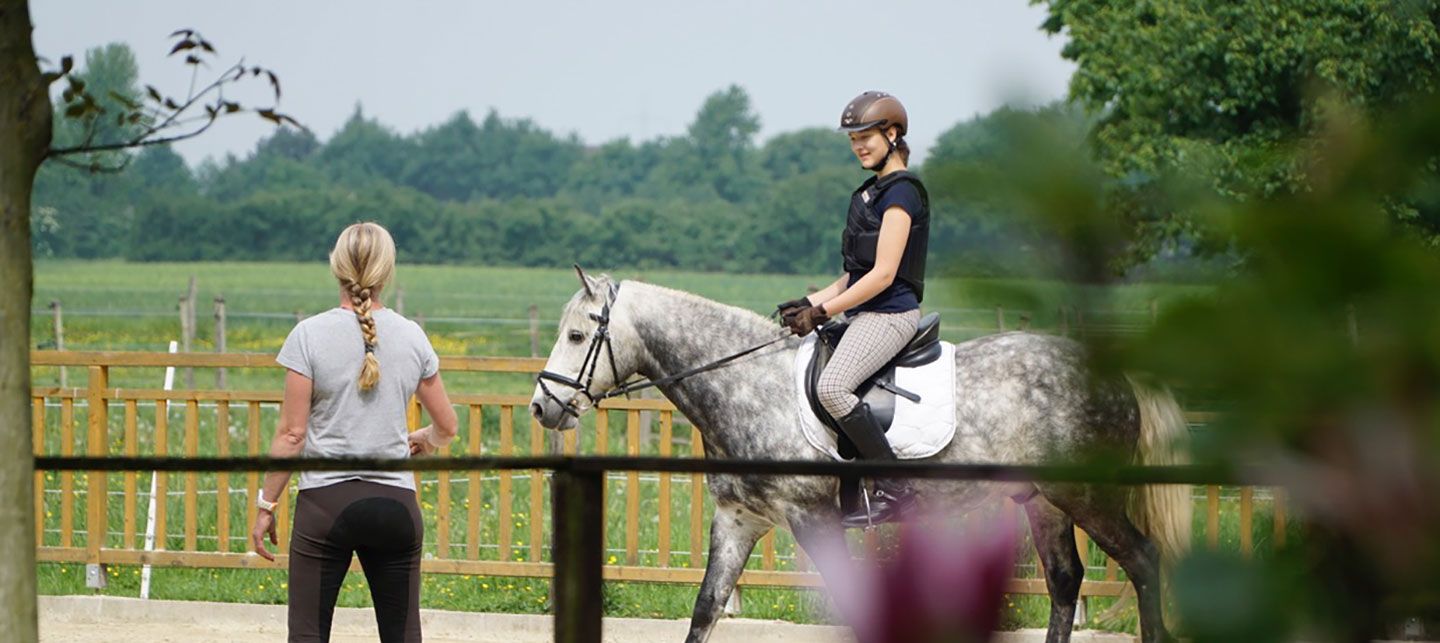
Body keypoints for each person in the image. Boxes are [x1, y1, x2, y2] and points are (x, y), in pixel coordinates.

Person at [250, 222, 458, 642]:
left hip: (325, 505)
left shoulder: (308, 336)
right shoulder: (413, 336)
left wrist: (266, 504)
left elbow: (292, 435)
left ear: (336, 267)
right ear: (387, 271)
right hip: (395, 504)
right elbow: (448, 426)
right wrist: (423, 440)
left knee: (307, 634)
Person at [778, 91, 930, 528]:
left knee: (832, 388)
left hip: (890, 315)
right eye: (852, 139)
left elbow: (882, 276)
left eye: (866, 137)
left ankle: (897, 489)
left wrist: (823, 312)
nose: (859, 146)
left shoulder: (903, 194)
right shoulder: (870, 193)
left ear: (892, 134)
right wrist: (808, 302)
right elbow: (853, 276)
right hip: (863, 312)